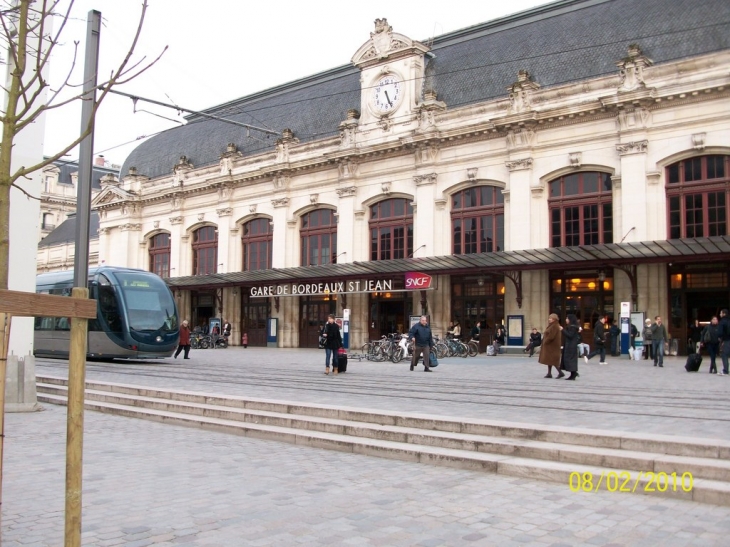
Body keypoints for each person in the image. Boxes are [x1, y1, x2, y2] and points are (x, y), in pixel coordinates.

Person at [538, 313, 563, 378]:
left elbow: (551, 336)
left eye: (551, 318)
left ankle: (560, 372)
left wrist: (545, 342)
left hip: (552, 346)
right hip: (550, 346)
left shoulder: (555, 326)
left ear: (554, 319)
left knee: (552, 359)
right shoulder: (551, 325)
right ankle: (549, 373)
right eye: (549, 318)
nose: (549, 319)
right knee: (549, 359)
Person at [562, 314, 582, 380]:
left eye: (567, 318)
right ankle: (573, 374)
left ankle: (573, 374)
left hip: (571, 346)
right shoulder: (571, 326)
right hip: (570, 345)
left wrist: (562, 330)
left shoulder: (572, 327)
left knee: (570, 360)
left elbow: (570, 335)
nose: (566, 320)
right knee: (569, 360)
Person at [718, 309, 730, 376]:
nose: (720, 314)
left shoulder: (722, 322)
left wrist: (720, 338)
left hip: (726, 340)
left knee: (724, 355)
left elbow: (720, 332)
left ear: (724, 314)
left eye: (721, 313)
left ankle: (725, 370)